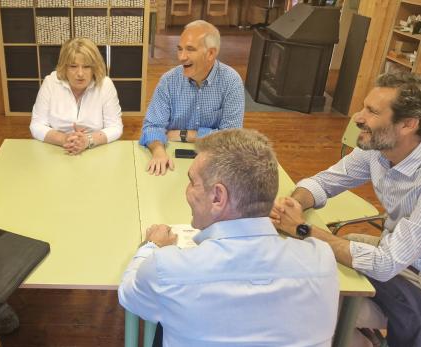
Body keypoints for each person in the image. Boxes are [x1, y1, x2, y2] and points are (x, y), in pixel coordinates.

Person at [271, 71, 421, 347]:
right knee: (300, 272)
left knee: (306, 304)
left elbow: (384, 264)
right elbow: (323, 182)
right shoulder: (379, 149)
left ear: (408, 124)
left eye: (371, 111)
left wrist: (302, 228)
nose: (358, 117)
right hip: (396, 258)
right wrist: (295, 202)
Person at [119, 129, 339, 346]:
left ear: (217, 197)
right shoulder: (322, 260)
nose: (187, 191)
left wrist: (151, 246)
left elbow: (129, 295)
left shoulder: (166, 268)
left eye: (192, 182)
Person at [139, 20, 244, 176]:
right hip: (171, 161)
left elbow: (231, 137)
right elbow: (152, 126)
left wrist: (185, 135)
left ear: (211, 53)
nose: (181, 57)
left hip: (214, 164)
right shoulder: (169, 80)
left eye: (190, 49)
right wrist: (159, 152)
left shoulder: (231, 81)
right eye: (179, 49)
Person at [30, 37, 123, 155]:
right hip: (57, 150)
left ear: (94, 68)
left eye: (86, 66)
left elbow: (115, 127)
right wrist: (64, 139)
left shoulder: (105, 85)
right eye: (73, 66)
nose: (80, 73)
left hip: (95, 150)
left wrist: (87, 140)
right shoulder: (50, 83)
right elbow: (36, 125)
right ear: (64, 67)